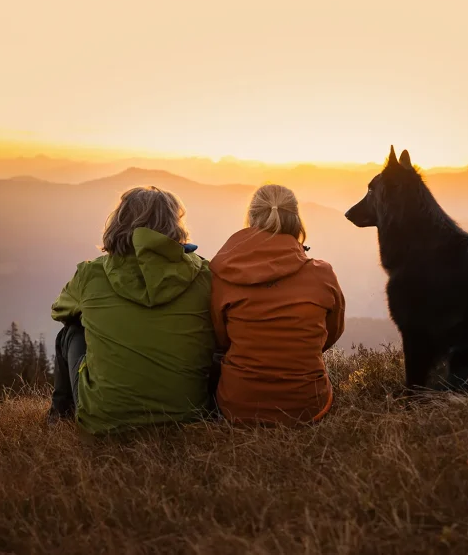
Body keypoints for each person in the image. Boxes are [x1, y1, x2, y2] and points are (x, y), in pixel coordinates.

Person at [47, 186, 216, 434]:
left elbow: (59, 311)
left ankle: (58, 419)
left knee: (71, 332)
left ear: (118, 223)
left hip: (105, 423)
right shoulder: (203, 274)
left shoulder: (91, 274)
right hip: (188, 417)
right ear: (174, 227)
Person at [210, 184, 346, 424]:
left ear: (251, 217)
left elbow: (221, 339)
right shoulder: (322, 275)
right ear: (296, 221)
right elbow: (332, 332)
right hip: (307, 404)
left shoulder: (224, 275)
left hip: (238, 405)